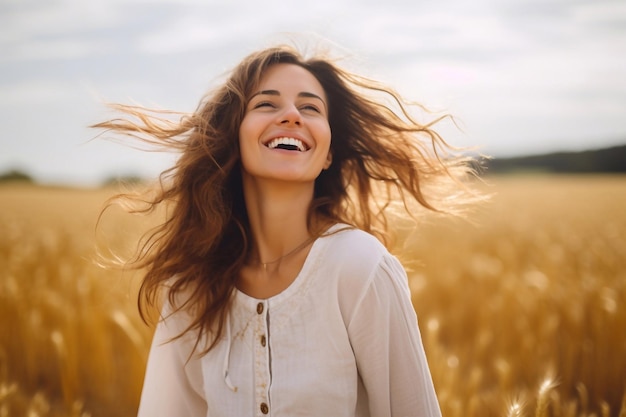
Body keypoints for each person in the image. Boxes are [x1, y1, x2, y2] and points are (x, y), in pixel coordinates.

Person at [95, 43, 479, 417]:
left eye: (310, 107)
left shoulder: (361, 268)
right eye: (266, 103)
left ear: (327, 152)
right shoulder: (189, 288)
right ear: (234, 136)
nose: (292, 115)